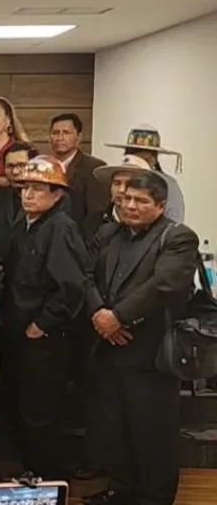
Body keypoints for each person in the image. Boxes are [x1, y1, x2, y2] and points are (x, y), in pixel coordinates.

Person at [83, 173, 197, 505]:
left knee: (153, 434)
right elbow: (86, 275)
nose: (130, 205)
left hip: (152, 352)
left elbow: (165, 285)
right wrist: (100, 315)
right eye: (126, 198)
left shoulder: (178, 237)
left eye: (141, 201)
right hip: (107, 346)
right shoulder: (107, 233)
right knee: (114, 429)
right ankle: (121, 490)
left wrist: (117, 317)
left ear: (160, 206)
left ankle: (154, 498)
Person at [2, 156, 89, 481]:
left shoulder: (60, 228)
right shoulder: (23, 224)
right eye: (25, 188)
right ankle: (30, 472)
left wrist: (43, 324)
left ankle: (48, 480)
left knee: (42, 412)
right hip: (17, 334)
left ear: (57, 194)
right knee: (23, 408)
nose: (28, 195)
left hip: (45, 338)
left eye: (38, 189)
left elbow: (71, 289)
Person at [103, 125, 185, 223]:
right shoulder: (119, 179)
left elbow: (174, 221)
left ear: (153, 160)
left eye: (145, 159)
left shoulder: (168, 185)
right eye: (134, 158)